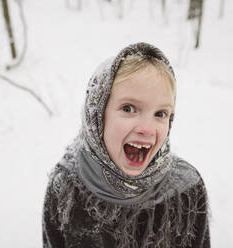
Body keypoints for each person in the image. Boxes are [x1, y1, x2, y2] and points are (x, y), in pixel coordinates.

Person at [42, 42, 210, 248]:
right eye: (129, 108)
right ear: (98, 114)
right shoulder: (67, 187)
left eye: (160, 114)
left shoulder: (185, 191)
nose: (147, 129)